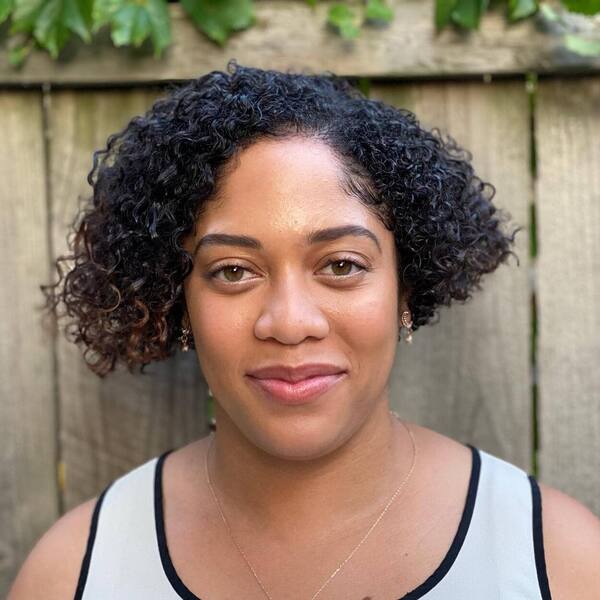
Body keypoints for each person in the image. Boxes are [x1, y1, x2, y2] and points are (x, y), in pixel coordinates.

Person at [9, 59, 600, 600]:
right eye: (234, 271)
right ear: (179, 301)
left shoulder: (560, 563)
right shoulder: (73, 574)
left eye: (342, 265)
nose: (290, 323)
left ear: (406, 290)